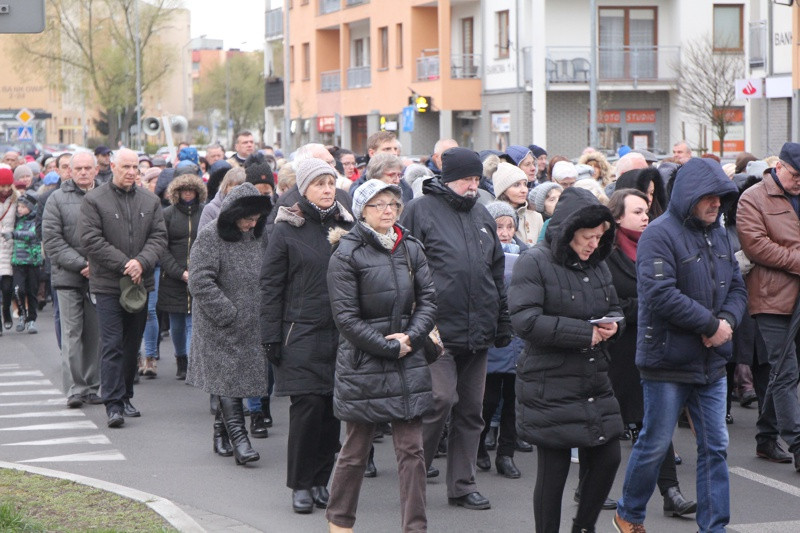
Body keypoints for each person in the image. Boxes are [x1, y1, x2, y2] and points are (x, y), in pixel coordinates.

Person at [614, 158, 747, 533]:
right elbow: (659, 293)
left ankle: (714, 527)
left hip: (711, 362)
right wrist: (709, 324)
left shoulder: (719, 234)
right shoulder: (660, 233)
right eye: (710, 196)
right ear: (690, 195)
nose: (717, 203)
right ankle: (630, 514)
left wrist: (727, 324)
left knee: (715, 449)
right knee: (655, 444)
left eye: (721, 197)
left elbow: (737, 288)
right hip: (666, 361)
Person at [400, 147, 511, 511]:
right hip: (435, 331)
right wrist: (412, 320)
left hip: (477, 329)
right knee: (439, 400)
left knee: (472, 410)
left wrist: (502, 321)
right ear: (448, 178)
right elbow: (404, 267)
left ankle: (462, 485)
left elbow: (495, 271)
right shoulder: (419, 210)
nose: (473, 186)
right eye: (467, 179)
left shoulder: (482, 213)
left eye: (478, 179)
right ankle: (414, 474)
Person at [509, 187, 624, 533]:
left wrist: (612, 327)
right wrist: (583, 334)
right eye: (587, 237)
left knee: (608, 457)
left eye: (599, 237)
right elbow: (524, 321)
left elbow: (614, 308)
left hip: (592, 377)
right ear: (568, 232)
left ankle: (583, 527)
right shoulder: (535, 260)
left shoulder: (598, 263)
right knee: (553, 471)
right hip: (548, 380)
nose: (593, 244)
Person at [325, 179, 436, 533]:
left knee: (412, 452)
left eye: (393, 204)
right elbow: (346, 319)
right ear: (362, 211)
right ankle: (340, 522)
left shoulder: (411, 248)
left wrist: (412, 337)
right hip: (364, 365)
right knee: (355, 450)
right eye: (379, 205)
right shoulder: (346, 254)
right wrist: (390, 346)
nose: (388, 210)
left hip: (408, 359)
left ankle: (414, 527)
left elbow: (429, 300)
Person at [260, 158, 355, 514]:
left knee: (333, 410)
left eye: (331, 183)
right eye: (319, 184)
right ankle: (300, 483)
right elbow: (270, 285)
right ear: (303, 188)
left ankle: (320, 481)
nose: (328, 189)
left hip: (340, 332)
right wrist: (270, 334)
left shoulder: (348, 223)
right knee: (307, 408)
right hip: (299, 331)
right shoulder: (287, 228)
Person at [605, 188, 697, 518]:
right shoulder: (605, 252)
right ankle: (590, 486)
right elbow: (607, 302)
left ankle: (671, 493)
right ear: (617, 217)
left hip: (650, 347)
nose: (646, 216)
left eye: (647, 211)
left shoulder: (658, 245)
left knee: (654, 424)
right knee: (605, 424)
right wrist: (649, 304)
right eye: (637, 212)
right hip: (614, 352)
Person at [78, 148, 167, 428]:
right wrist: (125, 264)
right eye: (125, 166)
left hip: (140, 283)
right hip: (107, 284)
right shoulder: (94, 200)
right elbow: (91, 239)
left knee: (131, 345)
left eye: (135, 167)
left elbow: (159, 237)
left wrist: (141, 262)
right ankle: (113, 403)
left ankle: (126, 395)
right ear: (113, 166)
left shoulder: (150, 200)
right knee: (112, 344)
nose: (131, 172)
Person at [186, 182, 271, 465]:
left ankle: (220, 434)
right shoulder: (211, 237)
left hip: (249, 323)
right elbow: (199, 280)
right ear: (233, 214)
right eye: (247, 218)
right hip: (218, 324)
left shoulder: (258, 235)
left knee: (232, 381)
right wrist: (227, 312)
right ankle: (240, 440)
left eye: (256, 219)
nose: (251, 224)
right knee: (228, 380)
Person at [737, 142, 800, 468]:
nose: (799, 181)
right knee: (785, 370)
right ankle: (798, 443)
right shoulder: (753, 198)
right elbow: (757, 246)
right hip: (771, 299)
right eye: (795, 174)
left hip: (794, 297)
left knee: (788, 372)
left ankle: (765, 436)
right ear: (779, 166)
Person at [42, 152, 102, 407]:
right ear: (69, 171)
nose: (83, 172)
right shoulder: (56, 198)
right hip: (68, 277)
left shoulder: (105, 196)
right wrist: (82, 265)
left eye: (88, 168)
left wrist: (98, 265)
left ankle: (91, 386)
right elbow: (53, 241)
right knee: (72, 333)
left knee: (95, 333)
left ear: (96, 170)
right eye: (78, 168)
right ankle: (75, 388)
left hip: (100, 277)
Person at [477, 201, 526, 480]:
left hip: (519, 339)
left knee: (514, 401)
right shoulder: (482, 256)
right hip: (495, 338)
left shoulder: (527, 255)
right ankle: (479, 446)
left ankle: (506, 454)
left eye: (510, 226)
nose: (505, 232)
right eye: (499, 227)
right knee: (487, 399)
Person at [158, 173, 206, 380]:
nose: (188, 194)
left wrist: (198, 271)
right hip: (173, 278)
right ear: (176, 193)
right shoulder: (167, 214)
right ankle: (181, 359)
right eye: (184, 190)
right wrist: (179, 272)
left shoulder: (204, 213)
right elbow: (161, 247)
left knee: (192, 322)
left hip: (198, 276)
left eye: (191, 190)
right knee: (176, 324)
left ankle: (192, 364)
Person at [6, 191, 42, 333]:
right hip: (18, 262)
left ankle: (31, 319)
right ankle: (22, 315)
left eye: (22, 206)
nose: (19, 209)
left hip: (33, 262)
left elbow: (33, 234)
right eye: (18, 206)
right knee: (17, 290)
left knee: (32, 292)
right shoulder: (16, 220)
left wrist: (14, 235)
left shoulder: (37, 221)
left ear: (31, 207)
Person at [492, 162, 543, 246]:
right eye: (516, 185)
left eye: (525, 184)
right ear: (503, 190)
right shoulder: (491, 217)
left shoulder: (536, 217)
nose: (524, 190)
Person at [0, 168, 17, 332]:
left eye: (7, 185)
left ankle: (6, 311)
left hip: (10, 246)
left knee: (7, 288)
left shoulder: (16, 199)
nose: (5, 189)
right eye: (2, 186)